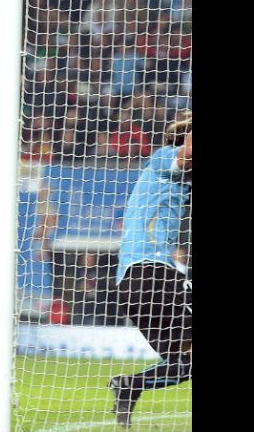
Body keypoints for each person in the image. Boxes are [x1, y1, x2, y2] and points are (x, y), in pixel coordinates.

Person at [109, 111, 192, 428]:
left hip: (133, 284)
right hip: (151, 273)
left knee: (183, 364)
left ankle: (130, 385)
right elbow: (187, 154)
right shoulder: (162, 160)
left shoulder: (180, 183)